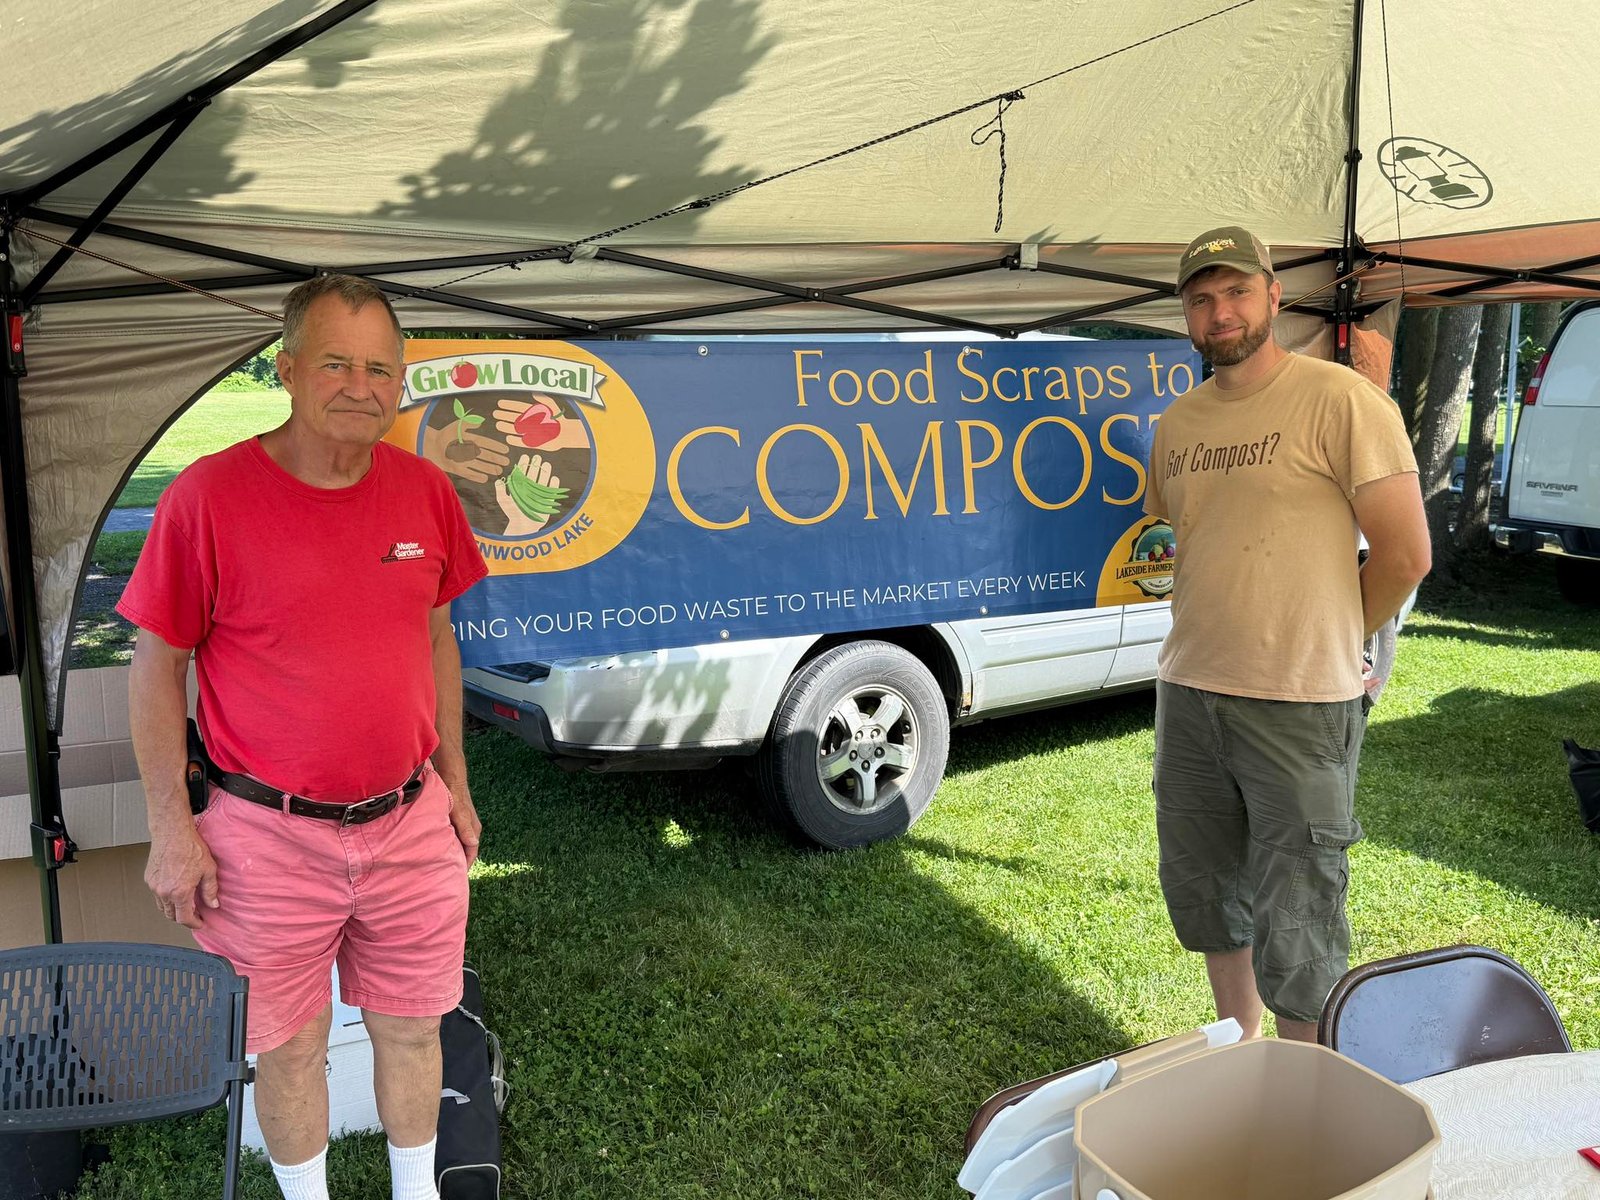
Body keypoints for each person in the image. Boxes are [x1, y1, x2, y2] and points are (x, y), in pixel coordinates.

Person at [119, 275, 488, 1200]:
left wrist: (458, 783)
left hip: (409, 820)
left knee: (412, 1027)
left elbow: (436, 635)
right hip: (263, 834)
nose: (361, 386)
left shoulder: (425, 492)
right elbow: (155, 666)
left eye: (380, 368)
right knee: (289, 1051)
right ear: (286, 369)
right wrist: (172, 827)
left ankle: (417, 1191)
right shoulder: (208, 498)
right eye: (336, 362)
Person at [1143, 226, 1430, 1042]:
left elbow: (1406, 554)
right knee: (1205, 891)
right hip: (1191, 691)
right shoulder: (1178, 425)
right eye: (1201, 299)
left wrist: (1335, 637)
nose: (1219, 311)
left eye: (1236, 292)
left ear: (1274, 296)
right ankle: (1239, 1048)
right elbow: (1179, 545)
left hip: (1301, 703)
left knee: (1299, 916)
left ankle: (1302, 1089)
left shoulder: (1341, 400)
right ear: (1187, 317)